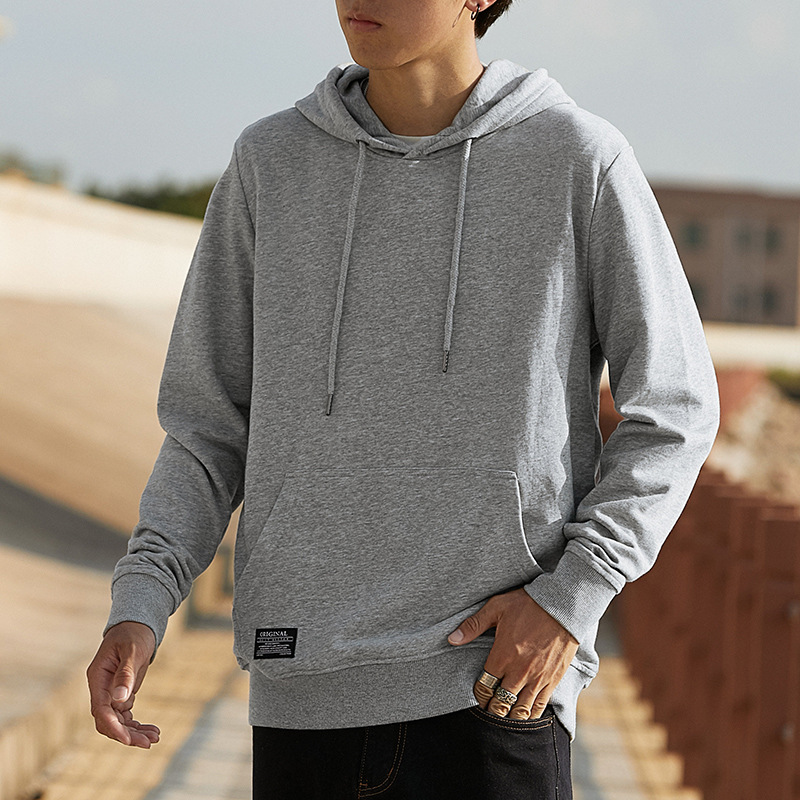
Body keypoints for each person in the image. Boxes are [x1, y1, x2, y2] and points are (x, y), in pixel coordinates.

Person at [86, 1, 720, 797]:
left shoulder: (576, 159)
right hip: (302, 691)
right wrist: (143, 599)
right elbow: (208, 427)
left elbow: (676, 408)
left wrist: (570, 598)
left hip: (492, 690)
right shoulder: (269, 165)